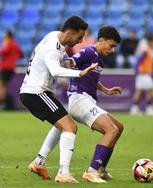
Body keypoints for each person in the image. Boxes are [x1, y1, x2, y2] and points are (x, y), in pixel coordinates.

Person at [28, 25, 123, 184]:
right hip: (80, 100)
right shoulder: (88, 52)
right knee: (111, 130)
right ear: (101, 40)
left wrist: (106, 90)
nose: (113, 50)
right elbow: (70, 63)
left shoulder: (98, 58)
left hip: (86, 100)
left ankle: (100, 168)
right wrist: (72, 67)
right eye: (111, 45)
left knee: (119, 127)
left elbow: (91, 79)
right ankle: (92, 171)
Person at [20, 16, 98, 183]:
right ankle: (63, 173)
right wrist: (80, 73)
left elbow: (58, 64)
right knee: (70, 127)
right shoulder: (52, 47)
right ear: (69, 33)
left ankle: (39, 162)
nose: (81, 41)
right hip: (36, 92)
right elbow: (55, 71)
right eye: (79, 37)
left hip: (39, 92)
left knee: (62, 125)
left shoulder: (55, 36)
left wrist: (70, 64)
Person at [129, 32, 153, 116]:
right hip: (143, 74)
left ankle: (134, 109)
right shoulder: (146, 50)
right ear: (150, 41)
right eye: (152, 41)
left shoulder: (148, 49)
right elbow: (138, 60)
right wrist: (135, 71)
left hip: (142, 74)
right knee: (150, 89)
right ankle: (149, 108)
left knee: (139, 91)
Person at [0, 31, 24, 110]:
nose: (3, 37)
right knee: (3, 85)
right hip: (12, 68)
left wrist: (4, 44)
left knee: (1, 85)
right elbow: (21, 55)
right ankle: (5, 102)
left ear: (8, 36)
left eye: (5, 36)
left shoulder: (8, 43)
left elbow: (3, 52)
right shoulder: (16, 44)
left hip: (5, 67)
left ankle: (2, 102)